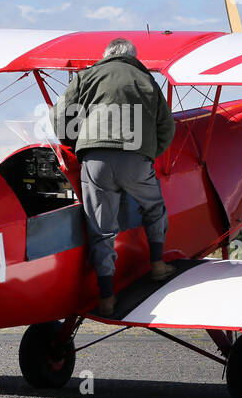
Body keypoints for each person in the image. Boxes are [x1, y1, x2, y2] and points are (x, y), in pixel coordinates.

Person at [50, 37, 177, 317]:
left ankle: (107, 296)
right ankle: (157, 264)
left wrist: (73, 141)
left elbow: (61, 115)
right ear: (132, 56)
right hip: (135, 157)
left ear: (106, 55)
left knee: (101, 229)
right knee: (153, 206)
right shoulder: (146, 80)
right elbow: (166, 127)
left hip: (94, 159)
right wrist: (149, 152)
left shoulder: (86, 76)